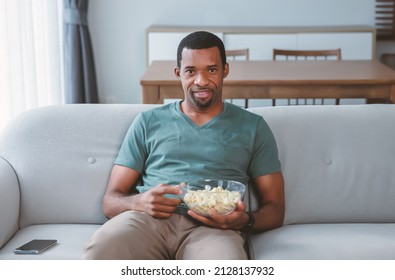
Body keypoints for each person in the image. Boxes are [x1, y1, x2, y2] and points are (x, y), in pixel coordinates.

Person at [83, 31, 284, 260]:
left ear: (224, 70)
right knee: (103, 248)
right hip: (147, 221)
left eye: (211, 69)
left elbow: (275, 210)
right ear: (178, 74)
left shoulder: (253, 127)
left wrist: (244, 220)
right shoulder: (147, 122)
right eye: (191, 71)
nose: (201, 81)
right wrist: (139, 201)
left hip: (213, 230)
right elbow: (110, 201)